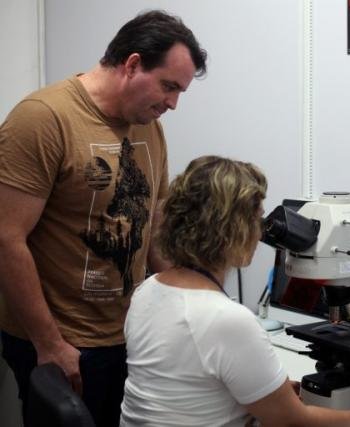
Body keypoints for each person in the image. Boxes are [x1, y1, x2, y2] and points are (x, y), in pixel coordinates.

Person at [0, 9, 207, 427]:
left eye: (179, 91)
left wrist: (196, 311)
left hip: (129, 335)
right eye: (168, 86)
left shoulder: (148, 125)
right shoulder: (44, 118)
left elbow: (155, 230)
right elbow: (6, 238)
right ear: (132, 64)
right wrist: (50, 343)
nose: (172, 103)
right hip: (62, 342)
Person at [119, 155, 350, 426]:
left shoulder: (146, 291)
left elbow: (186, 390)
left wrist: (266, 391)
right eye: (257, 219)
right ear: (233, 229)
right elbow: (290, 421)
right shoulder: (224, 318)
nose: (261, 233)